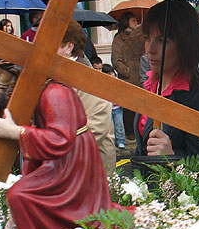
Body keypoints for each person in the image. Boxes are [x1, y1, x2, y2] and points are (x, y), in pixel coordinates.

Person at [0, 65, 114, 229]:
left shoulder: (55, 93)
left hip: (72, 163)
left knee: (20, 195)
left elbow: (60, 140)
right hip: (59, 160)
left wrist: (16, 133)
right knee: (22, 192)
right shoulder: (37, 92)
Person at [135, 0, 199, 159]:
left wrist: (172, 156)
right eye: (147, 38)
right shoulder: (150, 85)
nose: (150, 49)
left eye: (162, 41)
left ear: (184, 44)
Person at [58, 20, 116, 176]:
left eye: (50, 43)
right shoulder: (55, 75)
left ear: (69, 47)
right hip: (65, 167)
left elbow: (94, 131)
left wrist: (46, 144)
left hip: (89, 170)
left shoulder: (89, 80)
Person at [111, 12, 142, 141]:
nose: (136, 22)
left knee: (142, 106)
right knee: (129, 108)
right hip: (129, 78)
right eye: (133, 20)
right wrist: (127, 72)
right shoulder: (119, 39)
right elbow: (116, 60)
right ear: (126, 22)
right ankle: (130, 132)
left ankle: (140, 130)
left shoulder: (139, 36)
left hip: (141, 75)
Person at [102, 63, 126, 149]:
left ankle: (120, 141)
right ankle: (111, 142)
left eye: (111, 72)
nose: (110, 75)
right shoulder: (102, 83)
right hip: (108, 108)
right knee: (109, 126)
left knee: (119, 125)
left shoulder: (118, 82)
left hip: (117, 108)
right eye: (107, 73)